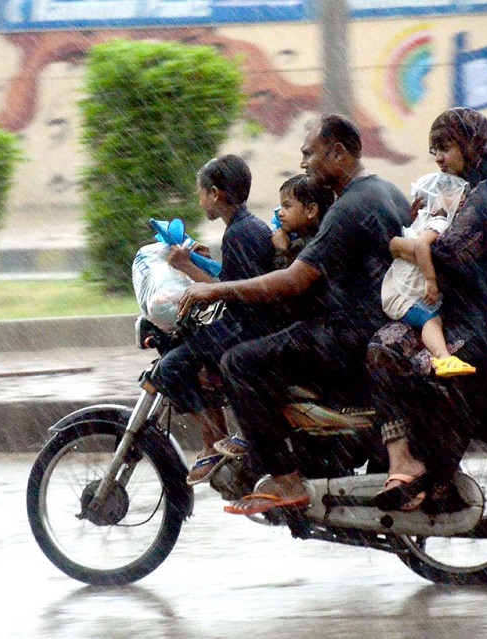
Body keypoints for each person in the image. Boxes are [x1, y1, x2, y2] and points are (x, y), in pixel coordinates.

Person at [178, 114, 411, 515]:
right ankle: (305, 453)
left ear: (337, 153)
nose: (304, 163)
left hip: (346, 335)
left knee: (238, 363)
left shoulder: (348, 207)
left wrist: (212, 289)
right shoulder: (386, 191)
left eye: (310, 154)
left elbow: (293, 280)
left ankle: (286, 482)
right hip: (374, 327)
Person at [367, 107, 487, 512]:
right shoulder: (468, 190)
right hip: (469, 311)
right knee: (388, 347)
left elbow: (448, 254)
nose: (438, 157)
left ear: (473, 147)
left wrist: (394, 244)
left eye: (446, 147)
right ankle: (409, 460)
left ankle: (424, 469)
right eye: (434, 149)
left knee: (404, 361)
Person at [146, 154, 277, 486]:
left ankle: (212, 441)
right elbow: (234, 279)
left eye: (201, 191)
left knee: (172, 367)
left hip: (248, 328)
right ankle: (219, 437)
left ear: (216, 194)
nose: (199, 198)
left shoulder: (241, 233)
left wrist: (187, 269)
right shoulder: (246, 228)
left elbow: (234, 291)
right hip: (246, 323)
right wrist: (198, 263)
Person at [214, 172, 336, 458]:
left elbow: (289, 284)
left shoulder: (307, 243)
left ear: (311, 210)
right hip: (312, 327)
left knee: (237, 362)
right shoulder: (308, 236)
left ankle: (272, 460)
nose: (280, 213)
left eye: (287, 206)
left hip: (314, 330)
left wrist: (282, 251)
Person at [381, 171, 476, 378]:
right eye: (454, 194)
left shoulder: (422, 219)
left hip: (395, 289)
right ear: (438, 196)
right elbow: (422, 245)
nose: (462, 200)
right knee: (431, 319)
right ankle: (442, 357)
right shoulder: (439, 221)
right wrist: (430, 280)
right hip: (403, 296)